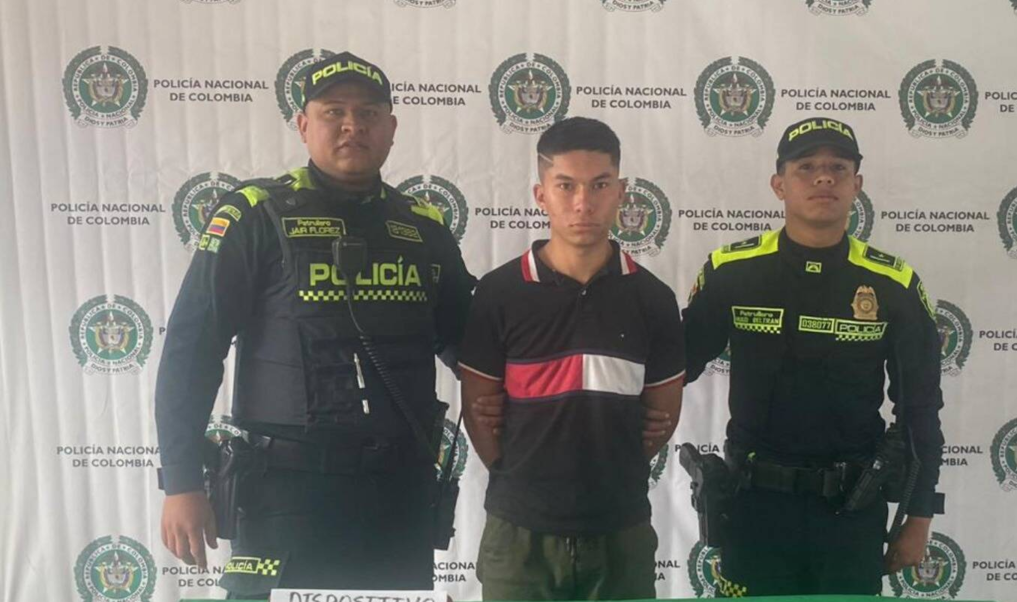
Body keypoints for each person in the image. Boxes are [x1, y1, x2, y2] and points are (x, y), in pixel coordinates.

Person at [154, 52, 474, 598]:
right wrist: (181, 481)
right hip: (281, 493)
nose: (353, 126)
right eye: (334, 112)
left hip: (398, 491)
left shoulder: (424, 227)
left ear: (391, 128)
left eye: (368, 113)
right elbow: (192, 350)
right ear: (304, 125)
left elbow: (471, 345)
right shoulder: (255, 213)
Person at [682, 117, 944, 596]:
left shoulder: (894, 285)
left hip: (852, 514)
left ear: (856, 185)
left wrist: (919, 514)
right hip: (753, 507)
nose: (824, 177)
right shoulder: (731, 274)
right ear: (778, 184)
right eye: (806, 167)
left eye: (838, 168)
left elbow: (920, 410)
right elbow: (671, 368)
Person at [458, 117, 685, 600]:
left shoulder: (654, 299)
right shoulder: (497, 294)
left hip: (621, 532)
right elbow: (479, 414)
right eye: (566, 186)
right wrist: (527, 483)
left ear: (621, 191)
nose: (583, 203)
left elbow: (661, 419)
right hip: (518, 536)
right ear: (541, 195)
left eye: (600, 185)